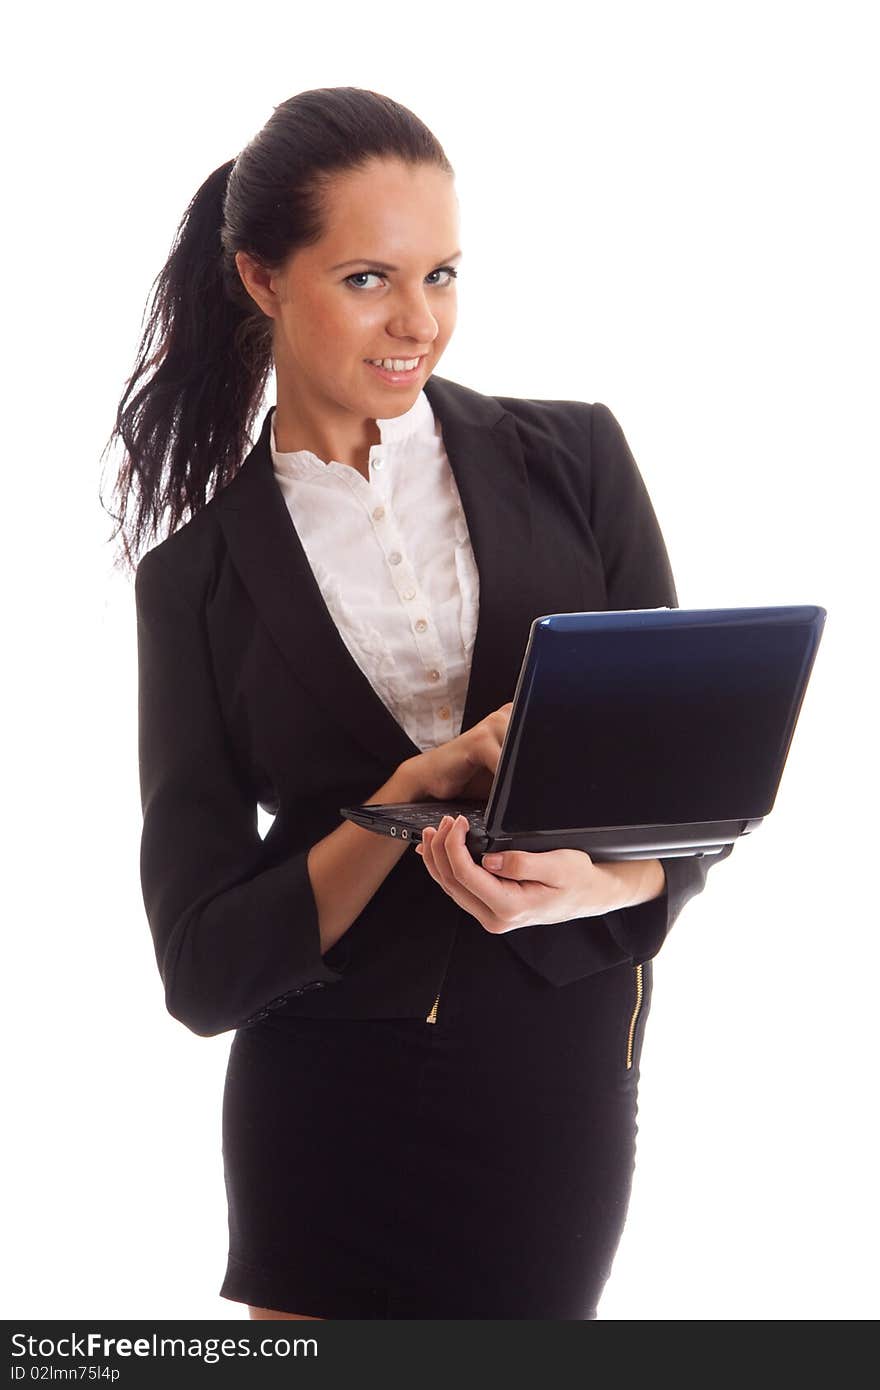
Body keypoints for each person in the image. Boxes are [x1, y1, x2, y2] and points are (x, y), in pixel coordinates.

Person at [103, 86, 733, 1320]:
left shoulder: (579, 462)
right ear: (261, 278)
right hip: (325, 1116)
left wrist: (611, 882)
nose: (417, 322)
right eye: (366, 280)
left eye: (442, 273)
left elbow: (685, 805)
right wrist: (391, 806)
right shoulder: (199, 580)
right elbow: (200, 968)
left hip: (550, 1086)